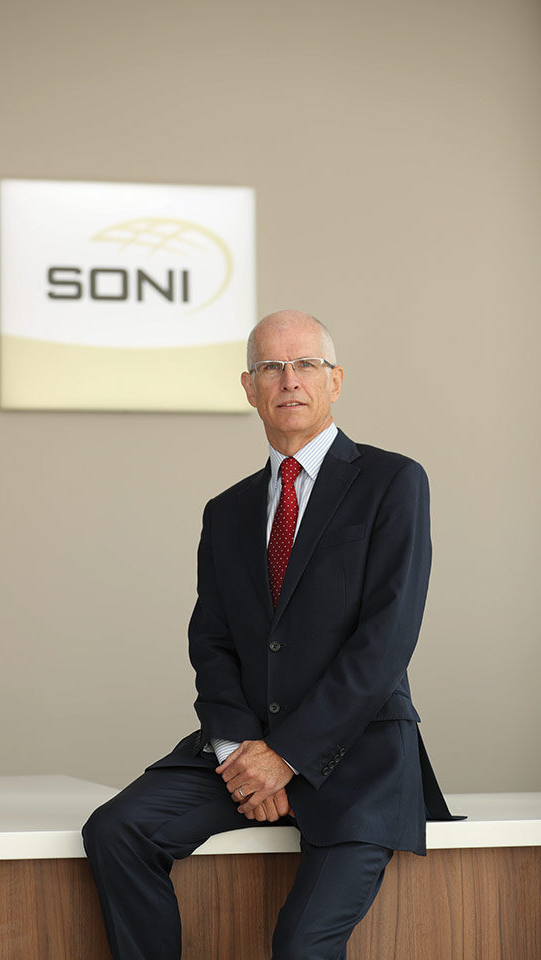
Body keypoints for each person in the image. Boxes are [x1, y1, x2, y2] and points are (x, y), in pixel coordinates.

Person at [82, 309, 458, 960]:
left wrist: (286, 755)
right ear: (249, 387)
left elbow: (386, 639)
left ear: (335, 380)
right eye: (271, 367)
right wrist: (241, 753)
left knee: (301, 945)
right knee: (118, 830)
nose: (290, 379)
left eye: (306, 363)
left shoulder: (393, 482)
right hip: (243, 746)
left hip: (356, 758)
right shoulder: (226, 511)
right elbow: (212, 641)